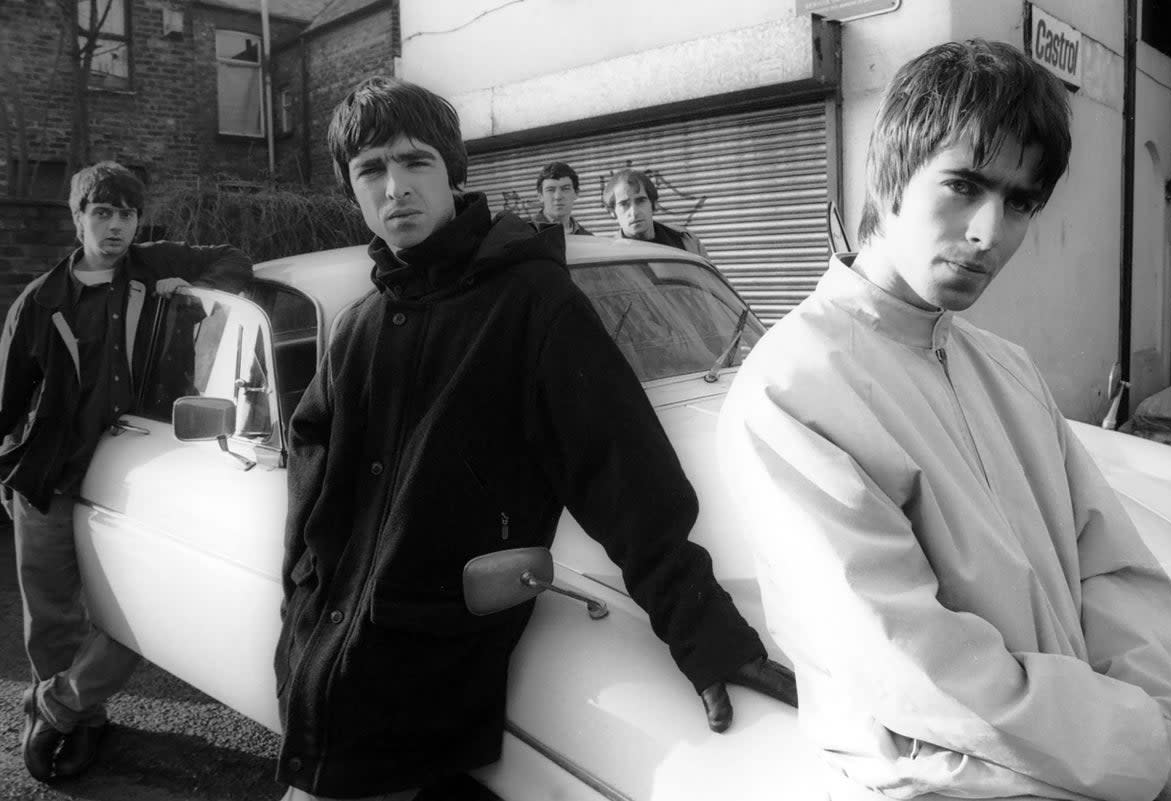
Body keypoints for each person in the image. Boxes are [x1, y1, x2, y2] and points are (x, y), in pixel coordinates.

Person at [273, 76, 795, 801]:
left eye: (415, 162)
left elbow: (621, 468)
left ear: (454, 173)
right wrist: (300, 600)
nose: (395, 188)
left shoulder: (529, 303)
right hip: (327, 661)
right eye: (371, 171)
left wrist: (704, 631)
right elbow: (311, 477)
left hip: (425, 676)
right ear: (351, 190)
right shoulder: (358, 328)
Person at [717, 39, 1171, 801]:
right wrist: (1152, 751)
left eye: (1020, 202)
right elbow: (916, 668)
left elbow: (1112, 569)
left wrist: (1163, 722)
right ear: (891, 173)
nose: (988, 233)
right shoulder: (792, 388)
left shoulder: (1006, 367)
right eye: (964, 185)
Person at [1, 161, 253, 782]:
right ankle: (83, 721)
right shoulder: (41, 301)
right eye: (102, 213)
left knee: (144, 610)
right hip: (53, 476)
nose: (115, 227)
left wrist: (184, 291)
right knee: (53, 614)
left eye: (127, 214)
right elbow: (6, 402)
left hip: (140, 474)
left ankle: (62, 704)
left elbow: (235, 263)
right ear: (78, 217)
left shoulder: (150, 263)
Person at [603, 167, 708, 257]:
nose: (634, 212)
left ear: (653, 204)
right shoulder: (611, 258)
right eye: (624, 204)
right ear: (613, 212)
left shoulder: (686, 240)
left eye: (641, 201)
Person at [529, 160, 592, 235]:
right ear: (540, 196)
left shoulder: (587, 238)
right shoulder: (524, 234)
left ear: (576, 193)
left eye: (565, 189)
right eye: (550, 190)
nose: (558, 197)